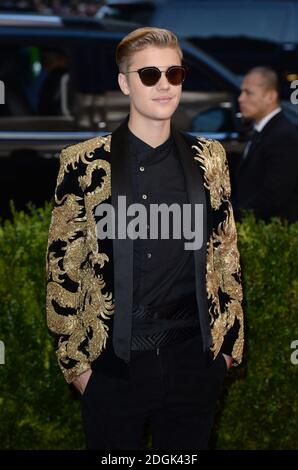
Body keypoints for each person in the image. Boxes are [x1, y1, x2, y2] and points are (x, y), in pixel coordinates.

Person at [46, 27, 244, 450]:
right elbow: (63, 265)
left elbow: (226, 253)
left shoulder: (210, 157)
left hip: (193, 359)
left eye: (175, 73)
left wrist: (225, 351)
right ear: (124, 82)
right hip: (112, 366)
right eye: (150, 74)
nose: (164, 85)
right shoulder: (82, 161)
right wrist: (78, 366)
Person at [234, 66, 298, 222]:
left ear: (270, 96)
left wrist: (233, 218)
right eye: (241, 92)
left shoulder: (284, 136)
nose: (240, 98)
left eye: (248, 93)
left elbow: (274, 194)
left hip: (269, 236)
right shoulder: (263, 131)